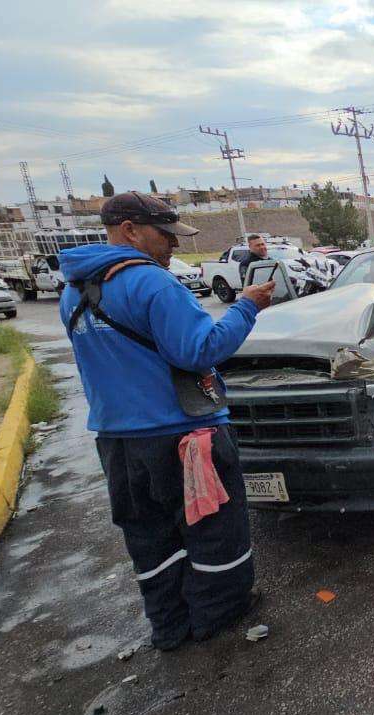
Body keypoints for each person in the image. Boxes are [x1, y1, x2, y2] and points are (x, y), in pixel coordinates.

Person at [58, 192, 275, 650]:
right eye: (166, 234)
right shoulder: (153, 283)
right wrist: (247, 306)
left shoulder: (73, 291)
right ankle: (218, 615)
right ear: (130, 230)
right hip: (183, 436)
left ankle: (169, 624)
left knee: (149, 537)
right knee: (214, 530)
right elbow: (200, 350)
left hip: (117, 442)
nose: (173, 245)